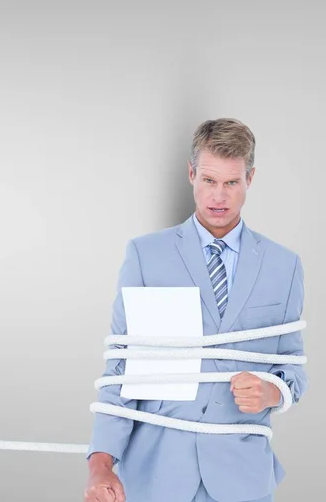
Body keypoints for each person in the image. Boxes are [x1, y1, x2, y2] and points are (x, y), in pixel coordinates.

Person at [84, 118, 308, 502]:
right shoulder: (145, 256)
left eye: (232, 183)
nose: (218, 196)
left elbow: (293, 368)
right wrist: (100, 464)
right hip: (156, 473)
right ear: (191, 174)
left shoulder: (283, 266)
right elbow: (121, 368)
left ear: (250, 179)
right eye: (209, 180)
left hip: (242, 475)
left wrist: (273, 392)